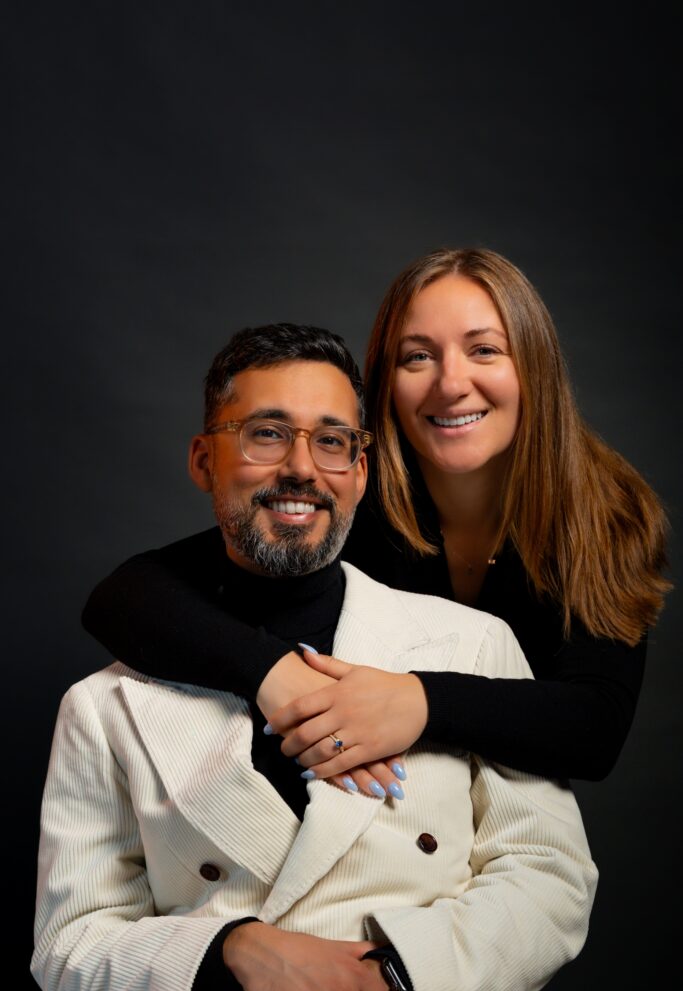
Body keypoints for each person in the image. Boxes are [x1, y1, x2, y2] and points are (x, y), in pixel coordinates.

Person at [33, 324, 597, 991]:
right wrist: (231, 952)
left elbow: (549, 881)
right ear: (205, 460)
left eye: (331, 440)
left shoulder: (471, 646)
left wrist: (385, 984)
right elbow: (70, 955)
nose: (301, 467)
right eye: (266, 434)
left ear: (359, 471)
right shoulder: (104, 706)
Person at [81, 249, 669, 795]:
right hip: (382, 804)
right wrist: (273, 672)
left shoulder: (606, 514)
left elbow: (595, 730)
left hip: (509, 811)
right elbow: (125, 596)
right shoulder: (352, 489)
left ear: (533, 368)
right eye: (418, 356)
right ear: (387, 381)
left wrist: (420, 701)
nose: (451, 383)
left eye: (484, 349)